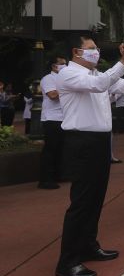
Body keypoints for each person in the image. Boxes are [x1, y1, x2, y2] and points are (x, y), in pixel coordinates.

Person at [55, 36, 124, 276]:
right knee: (81, 202)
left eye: (96, 49)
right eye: (91, 49)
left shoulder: (94, 77)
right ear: (76, 51)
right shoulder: (70, 74)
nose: (96, 53)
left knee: (95, 199)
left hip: (99, 142)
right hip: (81, 141)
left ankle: (88, 246)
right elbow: (105, 82)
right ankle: (67, 261)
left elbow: (119, 87)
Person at [39, 57, 68, 190]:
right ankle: (45, 179)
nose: (64, 66)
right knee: (50, 149)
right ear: (53, 66)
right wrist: (67, 88)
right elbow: (52, 95)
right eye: (61, 64)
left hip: (64, 118)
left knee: (62, 149)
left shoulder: (63, 78)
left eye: (65, 64)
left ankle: (59, 174)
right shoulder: (48, 79)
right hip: (51, 119)